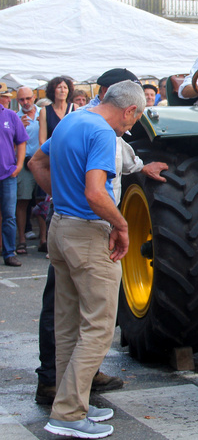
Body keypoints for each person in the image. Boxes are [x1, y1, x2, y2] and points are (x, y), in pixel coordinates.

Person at [29, 80, 146, 439]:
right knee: (98, 325)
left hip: (60, 227)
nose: (130, 128)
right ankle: (67, 412)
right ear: (129, 110)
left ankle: (70, 401)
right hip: (88, 234)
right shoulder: (102, 133)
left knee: (67, 323)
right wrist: (122, 224)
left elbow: (36, 161)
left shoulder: (71, 120)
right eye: (134, 120)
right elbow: (96, 193)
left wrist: (63, 199)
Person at [15, 86, 47, 256]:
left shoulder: (43, 113)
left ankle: (43, 239)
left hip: (41, 161)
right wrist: (18, 126)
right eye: (21, 100)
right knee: (23, 200)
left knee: (43, 201)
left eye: (28, 98)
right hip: (25, 162)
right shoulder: (15, 117)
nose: (25, 103)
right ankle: (21, 239)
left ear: (34, 97)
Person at [0, 83, 28, 267]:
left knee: (9, 215)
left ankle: (9, 252)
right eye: (5, 96)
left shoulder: (10, 116)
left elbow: (21, 141)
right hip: (8, 173)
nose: (9, 100)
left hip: (7, 174)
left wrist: (18, 165)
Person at [39, 77, 75, 145]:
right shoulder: (45, 111)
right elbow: (42, 140)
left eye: (65, 88)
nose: (62, 90)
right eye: (59, 87)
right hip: (53, 151)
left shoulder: (75, 108)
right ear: (53, 90)